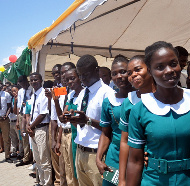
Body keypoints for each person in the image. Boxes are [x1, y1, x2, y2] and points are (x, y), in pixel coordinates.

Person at [127, 41, 190, 185]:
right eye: (160, 67)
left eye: (173, 63)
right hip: (154, 181)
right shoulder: (139, 110)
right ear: (150, 72)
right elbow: (135, 160)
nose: (169, 70)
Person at [66, 54, 114, 186]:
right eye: (80, 75)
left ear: (96, 70)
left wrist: (87, 120)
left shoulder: (107, 93)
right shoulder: (83, 93)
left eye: (85, 75)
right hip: (80, 152)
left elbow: (110, 128)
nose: (82, 79)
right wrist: (73, 119)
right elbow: (82, 123)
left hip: (97, 155)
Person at [118, 55, 156, 186]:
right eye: (129, 73)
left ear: (150, 69)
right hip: (135, 164)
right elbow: (124, 141)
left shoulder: (164, 97)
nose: (133, 75)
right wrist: (122, 179)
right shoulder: (129, 103)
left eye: (138, 69)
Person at [96, 55, 134, 186]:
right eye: (114, 73)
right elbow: (106, 132)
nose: (119, 76)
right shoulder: (109, 102)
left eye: (123, 71)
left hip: (137, 156)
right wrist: (99, 158)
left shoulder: (142, 98)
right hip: (114, 156)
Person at [52, 63, 79, 186]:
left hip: (75, 135)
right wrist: (55, 101)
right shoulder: (67, 93)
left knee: (74, 171)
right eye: (63, 74)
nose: (65, 77)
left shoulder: (80, 93)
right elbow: (61, 118)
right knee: (66, 169)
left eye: (68, 74)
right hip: (64, 134)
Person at [27, 72, 52, 186]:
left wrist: (30, 126)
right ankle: (41, 182)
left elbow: (42, 114)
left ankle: (47, 183)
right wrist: (29, 126)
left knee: (44, 159)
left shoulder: (44, 94)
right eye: (31, 80)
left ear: (41, 80)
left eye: (36, 80)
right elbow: (32, 114)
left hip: (41, 129)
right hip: (33, 130)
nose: (33, 82)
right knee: (37, 159)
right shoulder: (33, 95)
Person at [16, 75, 33, 166]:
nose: (22, 85)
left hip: (30, 115)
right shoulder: (20, 91)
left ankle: (30, 157)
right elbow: (19, 106)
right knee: (23, 136)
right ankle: (26, 156)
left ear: (26, 82)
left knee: (30, 136)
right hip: (22, 115)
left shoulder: (32, 90)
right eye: (20, 84)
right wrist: (18, 120)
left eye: (22, 83)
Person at [8, 85, 22, 158]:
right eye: (12, 91)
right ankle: (13, 151)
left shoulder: (19, 98)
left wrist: (16, 101)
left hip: (17, 120)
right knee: (13, 138)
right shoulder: (12, 98)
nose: (13, 92)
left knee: (19, 138)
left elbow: (15, 111)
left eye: (15, 91)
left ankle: (20, 152)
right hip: (11, 120)